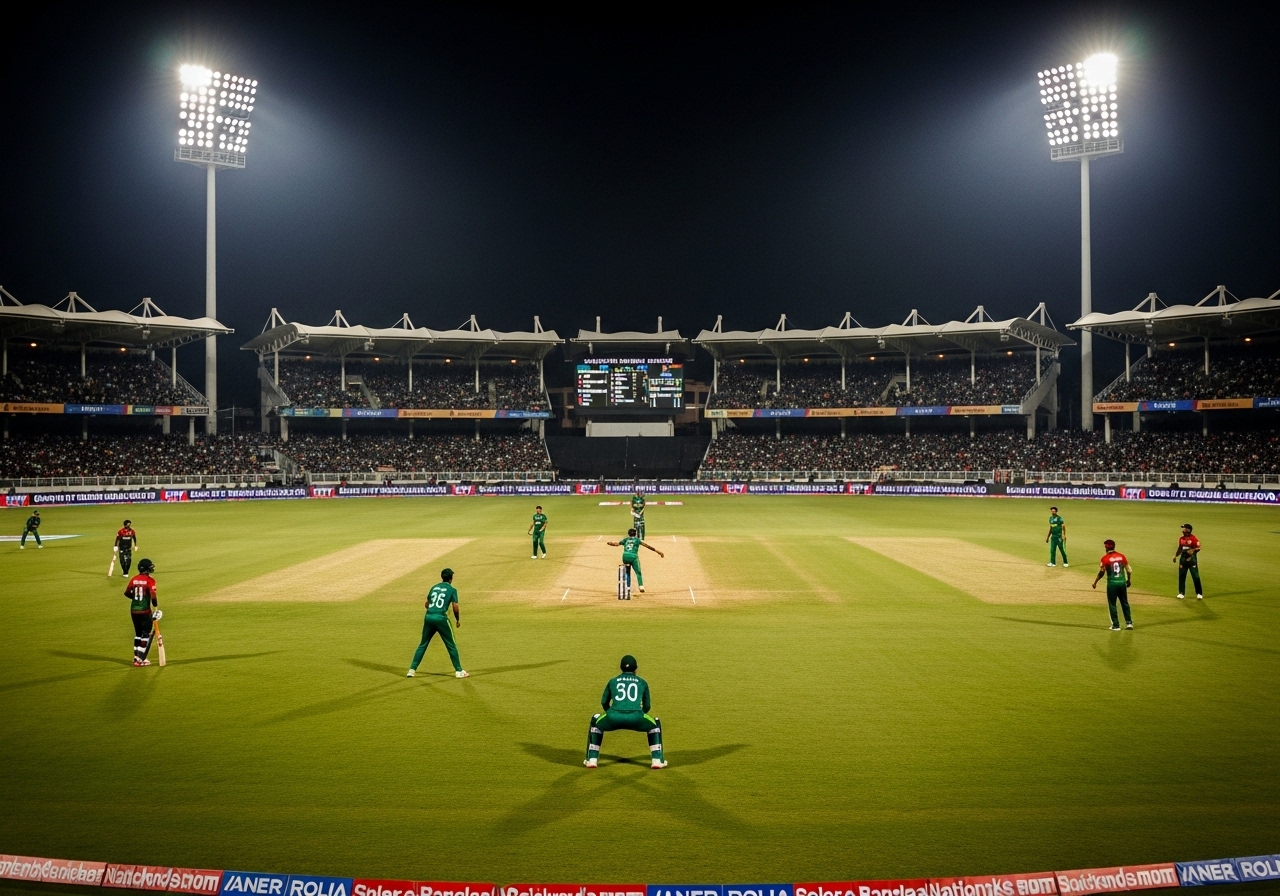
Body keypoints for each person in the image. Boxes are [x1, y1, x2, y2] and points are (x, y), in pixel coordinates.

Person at [584, 654, 666, 769]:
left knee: (595, 720)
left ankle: (592, 759)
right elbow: (647, 705)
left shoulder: (613, 681)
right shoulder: (642, 682)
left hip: (613, 717)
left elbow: (604, 702)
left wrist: (611, 713)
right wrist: (639, 714)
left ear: (621, 667)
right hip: (636, 717)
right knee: (655, 723)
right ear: (636, 669)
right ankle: (657, 760)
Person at [407, 568, 469, 679]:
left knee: (423, 644)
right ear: (451, 578)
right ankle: (459, 671)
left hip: (429, 617)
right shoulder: (452, 590)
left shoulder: (434, 587)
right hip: (441, 619)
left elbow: (427, 604)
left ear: (442, 577)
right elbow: (455, 606)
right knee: (451, 645)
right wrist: (457, 619)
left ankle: (412, 670)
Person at [124, 558, 160, 666]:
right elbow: (153, 593)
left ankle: (136, 657)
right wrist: (155, 606)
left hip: (133, 610)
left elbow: (126, 593)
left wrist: (136, 598)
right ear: (146, 569)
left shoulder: (133, 579)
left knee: (138, 634)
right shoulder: (150, 580)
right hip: (145, 611)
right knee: (146, 634)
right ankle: (140, 658)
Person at [1092, 539, 1133, 631]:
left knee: (1112, 604)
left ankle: (1116, 625)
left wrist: (1095, 582)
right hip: (1122, 583)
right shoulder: (1122, 556)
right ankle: (1129, 623)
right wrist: (1128, 580)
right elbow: (1129, 570)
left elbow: (1102, 572)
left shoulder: (1104, 559)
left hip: (1112, 584)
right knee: (1125, 603)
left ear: (1106, 548)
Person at [607, 528, 664, 594]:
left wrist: (610, 543)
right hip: (633, 556)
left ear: (628, 534)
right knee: (638, 572)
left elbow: (616, 544)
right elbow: (647, 546)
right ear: (635, 534)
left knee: (627, 572)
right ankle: (641, 586)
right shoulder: (637, 540)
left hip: (625, 556)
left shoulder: (626, 540)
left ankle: (628, 587)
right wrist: (658, 551)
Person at [1173, 523, 1204, 600]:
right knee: (1182, 576)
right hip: (1183, 559)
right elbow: (1180, 548)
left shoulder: (1193, 539)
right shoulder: (1181, 539)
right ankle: (1181, 593)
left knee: (1195, 576)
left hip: (1192, 560)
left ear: (1188, 530)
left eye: (1184, 528)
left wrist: (1193, 550)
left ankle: (1199, 593)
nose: (1183, 530)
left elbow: (1199, 548)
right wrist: (1175, 556)